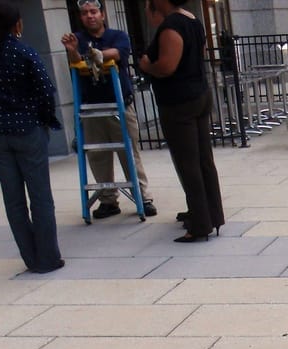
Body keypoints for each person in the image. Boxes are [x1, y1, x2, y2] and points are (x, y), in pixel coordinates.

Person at [0, 2, 64, 274]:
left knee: (13, 198)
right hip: (27, 127)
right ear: (17, 24)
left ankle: (31, 257)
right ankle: (48, 257)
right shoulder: (24, 52)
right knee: (40, 197)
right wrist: (42, 117)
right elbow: (45, 90)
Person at [139, 0, 225, 243]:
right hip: (198, 95)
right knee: (203, 160)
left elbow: (167, 66)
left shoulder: (172, 26)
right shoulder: (191, 19)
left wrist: (147, 65)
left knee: (189, 164)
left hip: (179, 103)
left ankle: (199, 224)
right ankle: (211, 215)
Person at [62, 0, 157, 219]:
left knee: (129, 153)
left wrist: (96, 55)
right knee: (97, 155)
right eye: (85, 13)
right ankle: (108, 199)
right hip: (91, 106)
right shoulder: (78, 38)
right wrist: (73, 51)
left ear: (102, 14)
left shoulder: (118, 35)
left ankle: (143, 197)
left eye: (93, 11)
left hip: (119, 103)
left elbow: (118, 53)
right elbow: (76, 63)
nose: (90, 16)